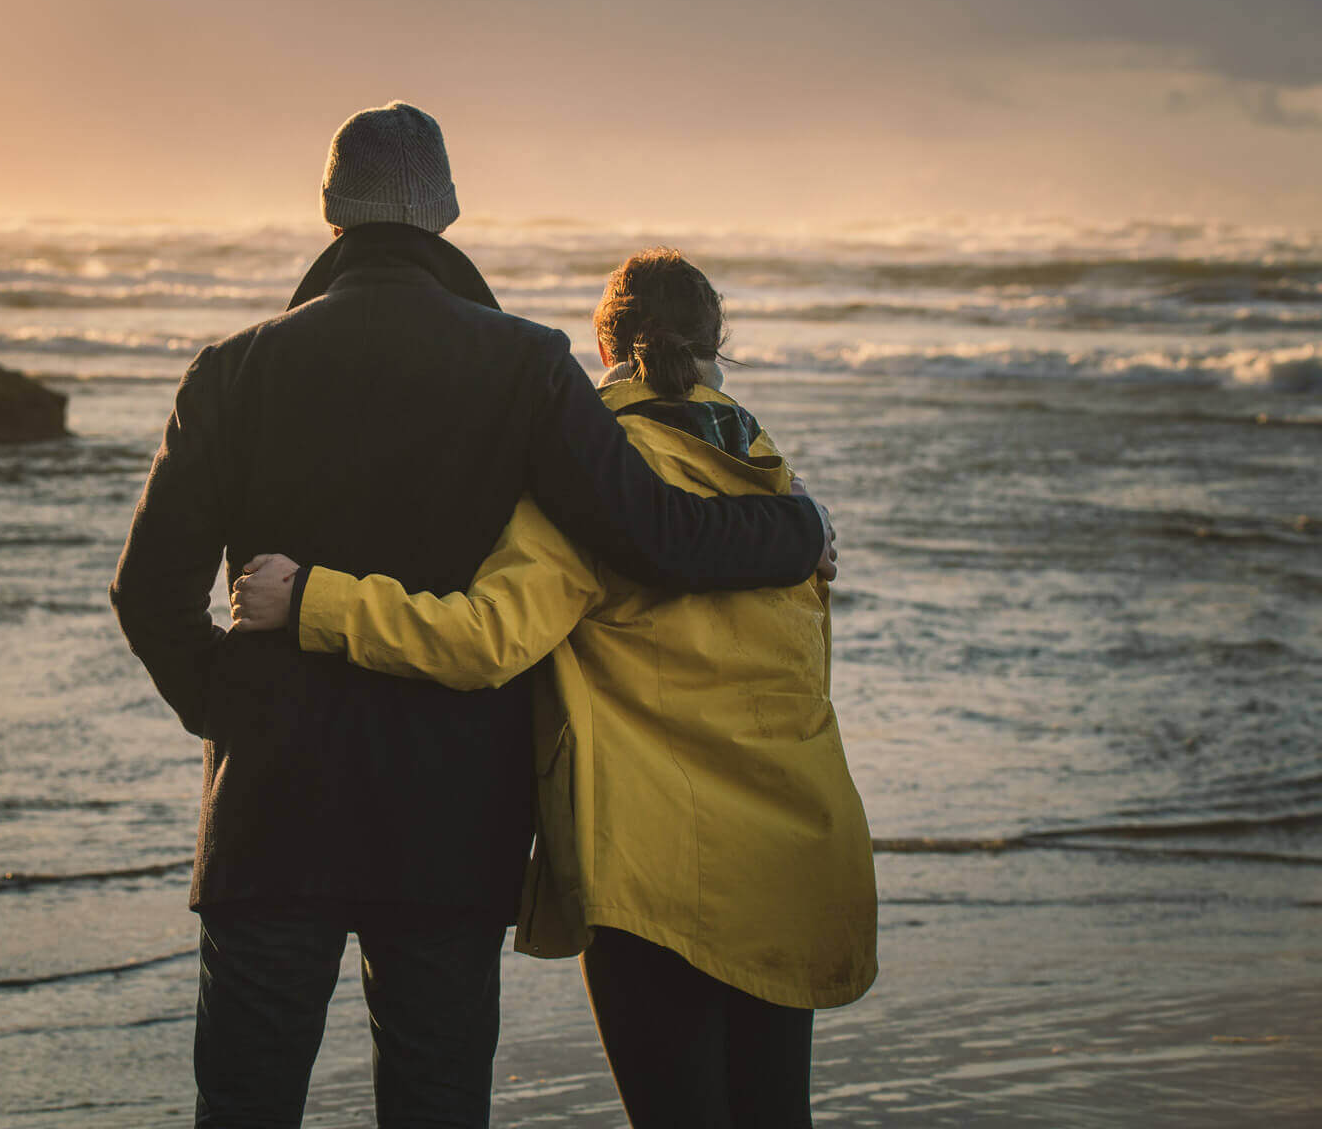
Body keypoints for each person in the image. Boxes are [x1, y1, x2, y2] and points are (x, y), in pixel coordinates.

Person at [109, 103, 834, 1128]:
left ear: (330, 211)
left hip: (268, 811)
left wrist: (236, 708)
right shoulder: (526, 366)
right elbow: (657, 537)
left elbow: (147, 593)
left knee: (243, 1104)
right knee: (435, 1103)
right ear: (448, 212)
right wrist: (798, 534)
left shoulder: (233, 369)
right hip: (450, 818)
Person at [230, 248, 876, 1128]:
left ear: (606, 340)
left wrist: (315, 599)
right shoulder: (779, 484)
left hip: (657, 870)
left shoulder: (591, 480)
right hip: (794, 850)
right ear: (717, 340)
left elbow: (484, 639)